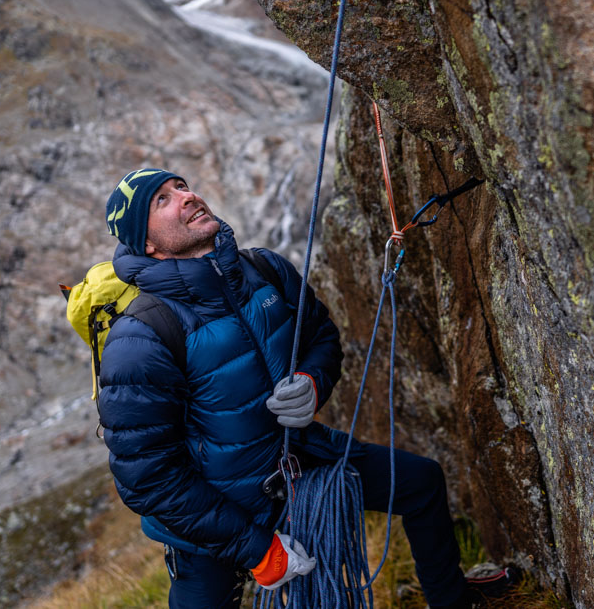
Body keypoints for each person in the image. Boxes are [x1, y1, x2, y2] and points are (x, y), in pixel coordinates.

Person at [98, 168, 518, 608]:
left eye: (181, 186)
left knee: (420, 482)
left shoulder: (264, 269)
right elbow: (147, 478)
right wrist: (257, 550)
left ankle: (453, 600)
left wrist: (311, 382)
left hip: (301, 462)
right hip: (217, 514)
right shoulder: (141, 336)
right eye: (162, 200)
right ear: (146, 244)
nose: (186, 197)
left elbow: (321, 337)